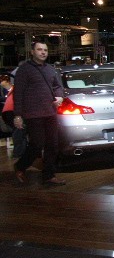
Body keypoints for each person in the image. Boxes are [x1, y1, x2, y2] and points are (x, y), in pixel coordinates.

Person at [13, 41, 65, 185]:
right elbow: (18, 93)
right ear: (32, 52)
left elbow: (58, 86)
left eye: (45, 50)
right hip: (33, 113)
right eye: (40, 49)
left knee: (53, 145)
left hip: (50, 112)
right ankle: (20, 166)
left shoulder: (50, 69)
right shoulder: (24, 69)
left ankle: (49, 175)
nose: (43, 52)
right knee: (37, 144)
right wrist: (18, 115)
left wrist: (60, 96)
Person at [1, 74, 27, 159]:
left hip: (8, 111)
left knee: (18, 130)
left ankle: (20, 152)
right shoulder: (19, 88)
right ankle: (19, 153)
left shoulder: (14, 88)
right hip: (13, 111)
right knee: (19, 130)